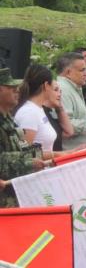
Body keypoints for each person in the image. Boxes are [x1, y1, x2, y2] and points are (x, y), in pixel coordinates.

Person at [0, 67, 46, 208]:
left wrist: (63, 155)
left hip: (16, 195)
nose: (17, 90)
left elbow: (24, 149)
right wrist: (29, 163)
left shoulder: (9, 119)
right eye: (11, 87)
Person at [14, 65, 72, 159]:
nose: (59, 93)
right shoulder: (29, 112)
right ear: (46, 85)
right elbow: (25, 154)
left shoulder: (38, 109)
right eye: (53, 87)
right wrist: (61, 154)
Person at [43, 80, 74, 151]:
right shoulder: (39, 111)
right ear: (46, 90)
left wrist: (59, 107)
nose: (59, 94)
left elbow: (69, 132)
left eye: (60, 92)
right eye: (56, 90)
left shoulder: (50, 112)